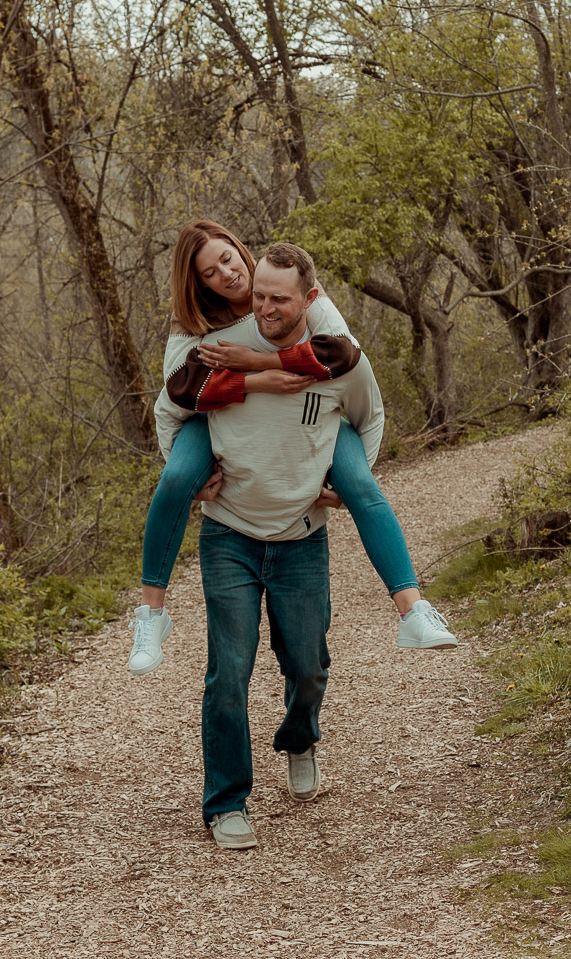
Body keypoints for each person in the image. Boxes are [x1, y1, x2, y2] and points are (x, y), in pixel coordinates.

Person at [125, 219, 456, 676]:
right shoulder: (196, 320)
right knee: (177, 478)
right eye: (209, 273)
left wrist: (258, 359)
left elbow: (342, 353)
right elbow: (179, 388)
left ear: (240, 250)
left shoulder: (289, 284)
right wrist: (256, 380)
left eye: (228, 259)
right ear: (197, 283)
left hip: (313, 416)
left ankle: (413, 610)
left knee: (361, 483)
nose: (227, 274)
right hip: (215, 416)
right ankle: (151, 615)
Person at [192, 242, 389, 847]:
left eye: (279, 298)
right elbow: (172, 409)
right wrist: (192, 478)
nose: (266, 307)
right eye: (259, 297)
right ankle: (226, 802)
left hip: (302, 537)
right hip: (228, 533)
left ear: (309, 298)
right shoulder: (217, 346)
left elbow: (370, 415)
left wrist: (346, 481)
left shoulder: (330, 355)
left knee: (308, 665)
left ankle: (300, 739)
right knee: (229, 673)